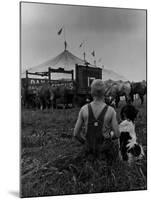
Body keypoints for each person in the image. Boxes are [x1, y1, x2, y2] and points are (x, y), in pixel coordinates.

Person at [73, 79, 120, 164]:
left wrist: (86, 143)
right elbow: (117, 134)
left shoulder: (84, 109)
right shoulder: (111, 110)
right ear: (104, 92)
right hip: (104, 155)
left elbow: (76, 134)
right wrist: (110, 136)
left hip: (88, 154)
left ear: (91, 92)